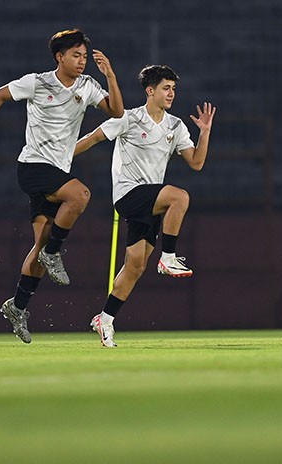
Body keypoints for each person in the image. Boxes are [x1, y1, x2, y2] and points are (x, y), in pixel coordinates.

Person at [0, 28, 124, 343]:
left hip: (57, 169)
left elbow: (116, 111)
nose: (82, 61)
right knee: (81, 195)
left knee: (39, 247)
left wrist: (110, 75)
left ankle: (17, 306)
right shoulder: (38, 81)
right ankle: (55, 252)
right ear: (59, 57)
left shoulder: (88, 86)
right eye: (76, 55)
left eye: (85, 56)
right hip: (32, 166)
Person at [74, 64, 215, 347]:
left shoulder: (175, 125)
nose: (171, 93)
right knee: (180, 197)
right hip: (129, 195)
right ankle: (169, 257)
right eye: (166, 88)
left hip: (151, 203)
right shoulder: (127, 118)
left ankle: (105, 319)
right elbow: (93, 138)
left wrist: (204, 132)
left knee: (135, 266)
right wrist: (59, 157)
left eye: (174, 88)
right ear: (150, 91)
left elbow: (197, 163)